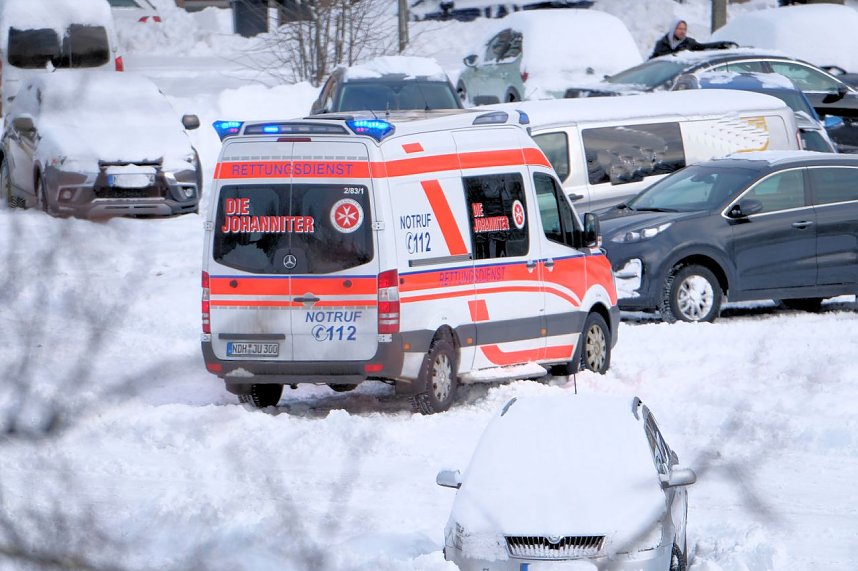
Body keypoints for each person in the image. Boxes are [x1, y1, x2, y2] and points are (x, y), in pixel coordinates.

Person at [649, 20, 736, 59]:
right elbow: (653, 60)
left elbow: (704, 47)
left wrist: (721, 44)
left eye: (684, 29)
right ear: (673, 29)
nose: (683, 31)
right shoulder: (662, 43)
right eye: (680, 29)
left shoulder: (689, 43)